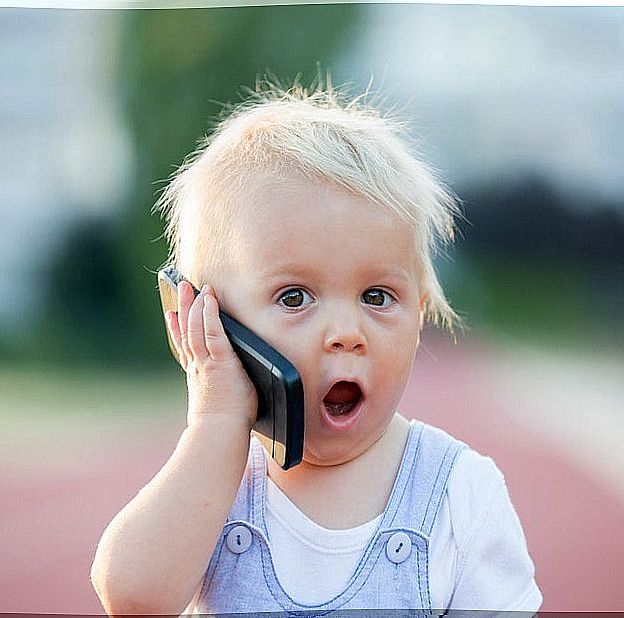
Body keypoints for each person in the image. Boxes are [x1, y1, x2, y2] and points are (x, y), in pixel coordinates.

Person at [91, 80, 542, 615]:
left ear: (419, 316)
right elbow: (131, 596)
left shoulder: (460, 496)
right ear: (203, 323)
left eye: (377, 296)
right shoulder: (211, 490)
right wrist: (215, 423)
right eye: (295, 296)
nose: (345, 333)